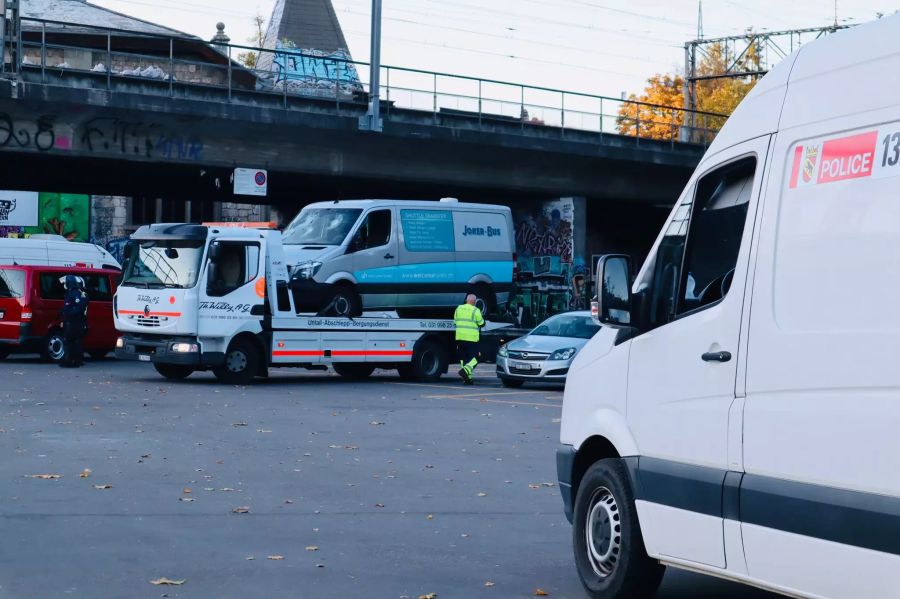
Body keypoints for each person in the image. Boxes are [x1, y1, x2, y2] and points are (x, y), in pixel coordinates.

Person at [454, 293, 485, 385]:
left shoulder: (458, 308)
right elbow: (481, 323)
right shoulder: (476, 310)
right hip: (471, 338)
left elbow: (455, 322)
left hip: (460, 337)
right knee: (475, 357)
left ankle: (468, 379)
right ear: (474, 302)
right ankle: (465, 370)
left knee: (464, 358)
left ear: (466, 300)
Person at [59, 275, 88, 368]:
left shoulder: (74, 294)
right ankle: (77, 360)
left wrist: (67, 313)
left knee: (69, 341)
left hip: (73, 321)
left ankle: (70, 361)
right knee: (76, 341)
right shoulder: (74, 293)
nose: (64, 285)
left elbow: (78, 308)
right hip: (74, 321)